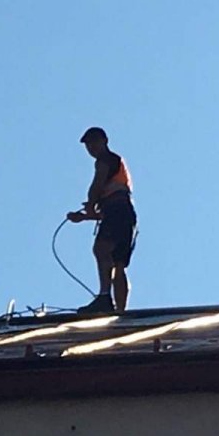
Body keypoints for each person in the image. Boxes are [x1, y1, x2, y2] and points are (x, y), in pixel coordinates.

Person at [67, 126, 137, 313]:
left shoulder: (105, 160)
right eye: (88, 145)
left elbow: (97, 185)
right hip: (125, 214)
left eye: (94, 142)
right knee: (118, 263)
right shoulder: (116, 167)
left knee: (101, 249)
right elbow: (108, 209)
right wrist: (84, 217)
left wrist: (91, 202)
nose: (91, 148)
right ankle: (120, 311)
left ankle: (105, 297)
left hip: (117, 211)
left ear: (104, 141)